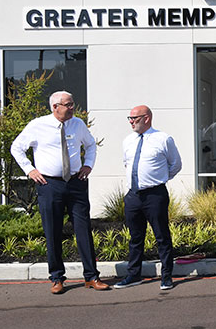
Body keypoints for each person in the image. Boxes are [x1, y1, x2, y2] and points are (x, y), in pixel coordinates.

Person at [11, 90, 110, 294]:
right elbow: (16, 148)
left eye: (72, 103)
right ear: (55, 107)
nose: (72, 107)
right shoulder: (38, 125)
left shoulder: (78, 124)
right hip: (50, 185)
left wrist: (88, 165)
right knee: (53, 231)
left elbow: (91, 145)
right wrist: (30, 170)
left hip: (76, 183)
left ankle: (91, 277)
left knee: (83, 230)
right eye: (68, 104)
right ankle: (57, 278)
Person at [114, 105, 182, 290]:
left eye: (134, 118)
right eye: (129, 118)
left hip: (154, 195)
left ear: (147, 118)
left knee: (162, 236)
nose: (131, 122)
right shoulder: (128, 140)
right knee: (135, 237)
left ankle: (166, 277)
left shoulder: (163, 139)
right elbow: (127, 163)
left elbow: (176, 164)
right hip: (133, 195)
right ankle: (133, 275)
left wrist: (159, 179)